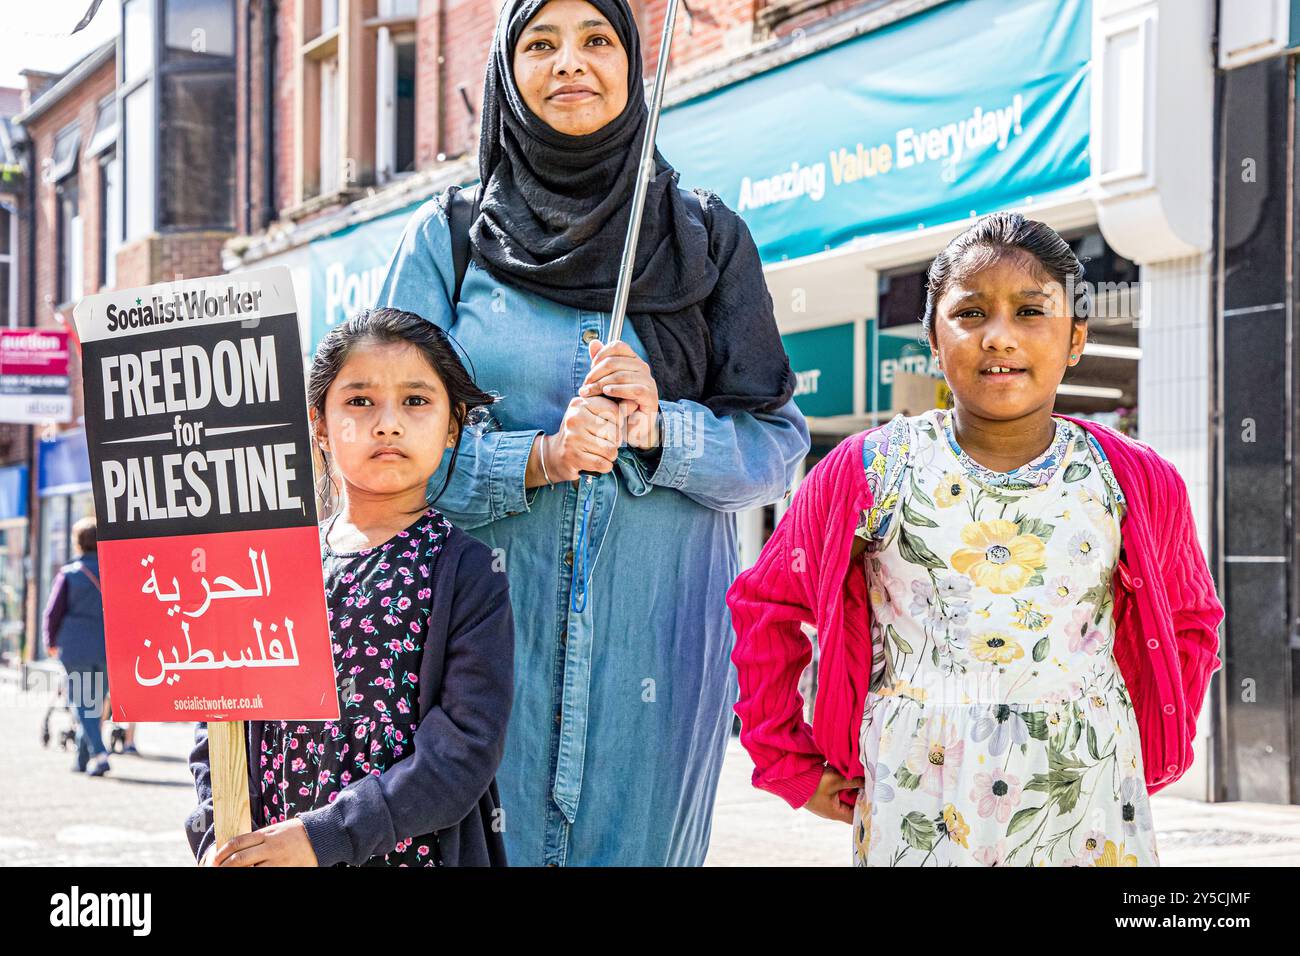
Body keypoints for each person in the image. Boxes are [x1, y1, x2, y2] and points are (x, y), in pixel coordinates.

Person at [375, 0, 809, 866]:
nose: (570, 63)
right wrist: (534, 459)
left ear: (632, 62)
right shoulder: (448, 240)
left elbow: (776, 451)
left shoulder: (707, 239)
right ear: (506, 66)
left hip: (659, 662)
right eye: (541, 42)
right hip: (480, 654)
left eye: (597, 40)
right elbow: (382, 449)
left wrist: (661, 431)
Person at [728, 213, 1225, 867]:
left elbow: (1191, 622)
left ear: (1075, 337)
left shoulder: (1134, 480)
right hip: (918, 794)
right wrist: (789, 761)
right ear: (933, 338)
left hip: (1089, 790)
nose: (999, 337)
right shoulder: (868, 471)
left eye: (1029, 312)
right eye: (969, 313)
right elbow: (765, 608)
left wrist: (1151, 736)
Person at [185, 308, 516, 867]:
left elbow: (464, 751)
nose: (387, 423)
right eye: (359, 401)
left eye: (416, 401)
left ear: (454, 423)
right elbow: (216, 716)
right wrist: (218, 832)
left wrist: (325, 836)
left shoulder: (469, 573)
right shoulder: (263, 566)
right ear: (318, 423)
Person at [44, 516, 110, 777]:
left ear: (78, 542)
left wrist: (50, 641)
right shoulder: (112, 571)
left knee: (83, 703)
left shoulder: (69, 573)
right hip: (106, 647)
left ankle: (100, 754)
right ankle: (82, 760)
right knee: (94, 703)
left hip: (75, 647)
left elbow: (52, 612)